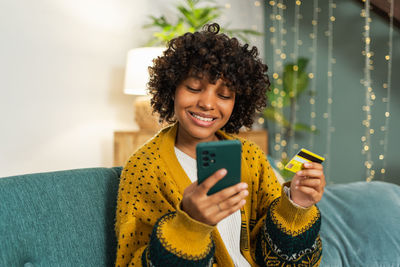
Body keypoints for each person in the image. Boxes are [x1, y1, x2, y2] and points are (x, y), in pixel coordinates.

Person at [115, 23, 325, 267]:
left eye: (224, 95)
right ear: (172, 88)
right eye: (194, 88)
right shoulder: (143, 169)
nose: (207, 103)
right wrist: (190, 224)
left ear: (238, 101)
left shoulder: (251, 157)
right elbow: (131, 262)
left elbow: (283, 261)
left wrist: (296, 204)